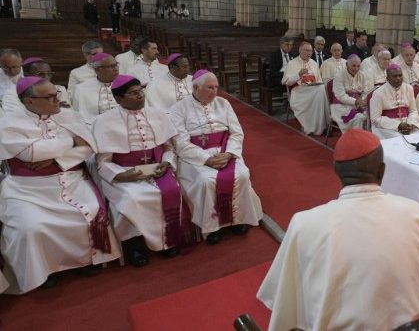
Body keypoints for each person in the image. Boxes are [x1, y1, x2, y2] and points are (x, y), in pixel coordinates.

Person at [257, 129, 419, 331]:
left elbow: (285, 300)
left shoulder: (304, 223)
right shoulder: (415, 212)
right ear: (382, 170)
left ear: (336, 170)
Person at [0, 77, 120, 293]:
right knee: (31, 227)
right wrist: (72, 142)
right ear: (29, 101)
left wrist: (58, 159)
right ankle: (44, 271)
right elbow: (32, 153)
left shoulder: (68, 116)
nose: (58, 100)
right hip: (28, 190)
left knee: (89, 214)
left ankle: (85, 261)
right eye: (50, 97)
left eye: (57, 93)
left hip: (72, 180)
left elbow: (89, 147)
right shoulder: (9, 123)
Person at [93, 75, 193, 267]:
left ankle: (169, 239)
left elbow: (169, 148)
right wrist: (120, 175)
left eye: (141, 91)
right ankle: (135, 246)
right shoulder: (103, 122)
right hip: (124, 172)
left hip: (157, 168)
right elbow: (103, 161)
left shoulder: (158, 115)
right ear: (118, 99)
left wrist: (166, 162)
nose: (140, 96)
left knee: (171, 191)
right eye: (134, 93)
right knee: (132, 200)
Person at [169, 70, 263, 244]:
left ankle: (238, 219)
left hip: (225, 151)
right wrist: (206, 159)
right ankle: (213, 226)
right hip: (195, 156)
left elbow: (236, 132)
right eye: (210, 88)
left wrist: (229, 153)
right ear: (196, 87)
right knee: (206, 180)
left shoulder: (223, 103)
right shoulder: (178, 108)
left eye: (216, 87)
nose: (215, 92)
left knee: (242, 175)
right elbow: (180, 143)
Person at [282, 42, 330, 135]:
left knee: (322, 89)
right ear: (300, 51)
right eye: (307, 50)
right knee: (321, 91)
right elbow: (286, 82)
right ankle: (319, 126)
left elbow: (319, 80)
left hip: (314, 90)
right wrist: (298, 74)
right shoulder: (292, 63)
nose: (309, 53)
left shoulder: (314, 63)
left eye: (311, 51)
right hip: (299, 92)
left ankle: (321, 125)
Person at [370, 64, 419, 139]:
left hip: (407, 124)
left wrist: (411, 124)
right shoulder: (378, 93)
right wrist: (398, 125)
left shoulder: (408, 88)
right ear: (388, 78)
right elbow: (375, 118)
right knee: (400, 140)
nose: (398, 78)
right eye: (395, 76)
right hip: (387, 128)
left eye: (400, 75)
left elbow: (413, 110)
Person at [72, 52, 119, 126]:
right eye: (111, 66)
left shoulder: (128, 84)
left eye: (116, 65)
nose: (116, 69)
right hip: (94, 127)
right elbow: (78, 115)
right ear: (97, 69)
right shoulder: (81, 89)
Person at [331, 55, 373, 131]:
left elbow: (366, 91)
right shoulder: (339, 76)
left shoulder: (362, 75)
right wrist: (356, 102)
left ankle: (366, 140)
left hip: (359, 105)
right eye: (353, 66)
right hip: (341, 106)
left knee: (371, 115)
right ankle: (355, 140)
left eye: (358, 66)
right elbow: (341, 96)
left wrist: (362, 101)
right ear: (347, 64)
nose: (356, 69)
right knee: (360, 118)